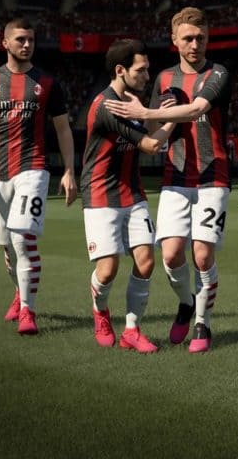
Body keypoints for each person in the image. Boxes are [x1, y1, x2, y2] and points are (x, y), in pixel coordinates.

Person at [104, 7, 233, 353]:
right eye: (188, 38)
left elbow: (197, 109)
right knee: (172, 255)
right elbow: (150, 130)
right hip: (175, 175)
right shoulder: (163, 78)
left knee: (202, 256)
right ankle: (187, 303)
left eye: (201, 38)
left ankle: (202, 324)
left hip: (213, 175)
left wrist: (146, 112)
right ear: (174, 40)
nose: (195, 44)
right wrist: (151, 116)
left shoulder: (218, 73)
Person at [0, 17, 77, 335]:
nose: (27, 44)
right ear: (5, 42)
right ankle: (19, 293)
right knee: (8, 247)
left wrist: (68, 170)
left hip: (33, 169)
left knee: (23, 239)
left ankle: (28, 311)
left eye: (31, 39)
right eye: (20, 39)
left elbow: (63, 129)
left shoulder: (47, 83)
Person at [81, 38, 168, 353]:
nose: (147, 76)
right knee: (107, 270)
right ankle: (100, 312)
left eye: (148, 69)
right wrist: (175, 118)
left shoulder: (133, 101)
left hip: (133, 192)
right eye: (140, 70)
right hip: (101, 193)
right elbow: (151, 145)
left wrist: (154, 113)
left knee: (146, 261)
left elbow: (151, 131)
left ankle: (132, 330)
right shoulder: (107, 105)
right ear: (120, 70)